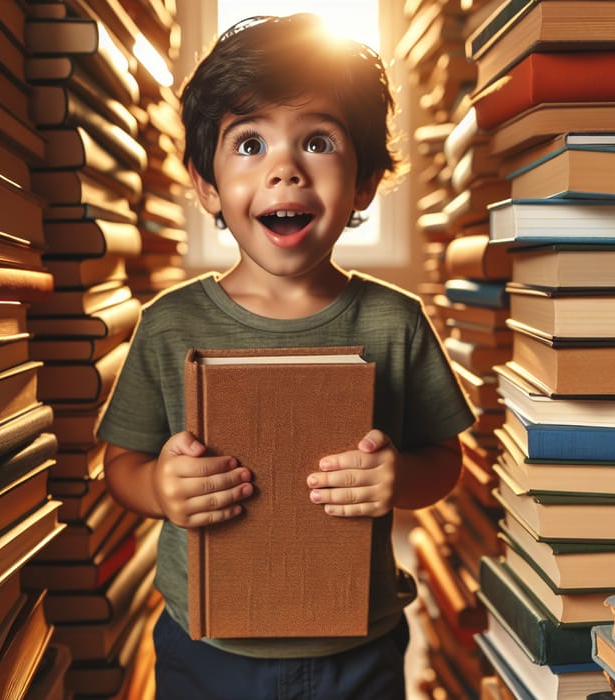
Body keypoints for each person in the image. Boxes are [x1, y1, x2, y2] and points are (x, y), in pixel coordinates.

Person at [98, 13, 474, 699]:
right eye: (248, 143)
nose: (284, 169)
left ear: (364, 183)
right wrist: (158, 487)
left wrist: (399, 479)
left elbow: (444, 463)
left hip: (359, 648)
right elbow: (119, 464)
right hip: (206, 648)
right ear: (206, 185)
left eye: (319, 141)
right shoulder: (168, 324)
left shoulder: (396, 321)